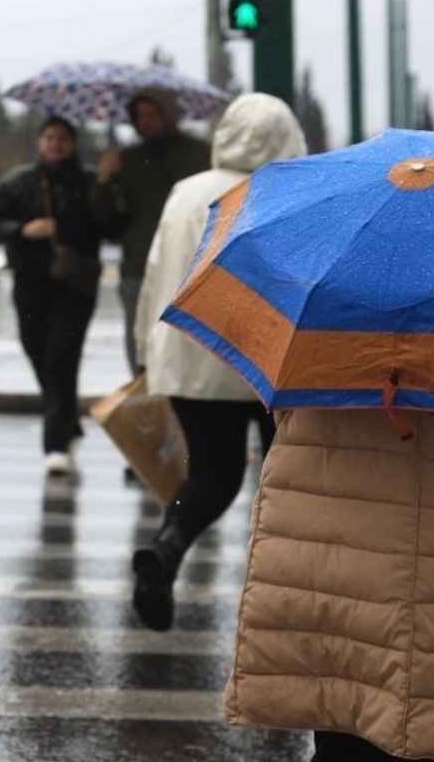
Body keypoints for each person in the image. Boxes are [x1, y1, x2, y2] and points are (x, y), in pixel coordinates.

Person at [224, 390, 434, 762]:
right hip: (422, 565)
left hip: (320, 549)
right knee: (426, 729)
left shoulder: (319, 339)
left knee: (344, 724)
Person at [130, 93, 307, 632]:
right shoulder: (288, 191)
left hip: (191, 355)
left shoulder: (186, 193)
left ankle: (168, 546)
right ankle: (284, 591)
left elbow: (155, 272)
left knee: (212, 472)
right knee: (289, 481)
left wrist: (145, 351)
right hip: (267, 361)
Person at [0, 117, 107, 476]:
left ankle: (55, 443)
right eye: (50, 138)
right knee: (37, 351)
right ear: (39, 142)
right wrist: (22, 229)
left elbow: (108, 225)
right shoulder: (18, 182)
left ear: (74, 143)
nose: (56, 145)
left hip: (75, 285)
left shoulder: (90, 181)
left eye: (64, 138)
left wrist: (107, 186)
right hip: (31, 283)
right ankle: (69, 421)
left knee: (60, 358)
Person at [93, 88, 211, 376]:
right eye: (139, 116)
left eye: (152, 114)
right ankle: (148, 407)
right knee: (142, 344)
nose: (146, 122)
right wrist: (105, 182)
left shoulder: (200, 154)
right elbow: (107, 224)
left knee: (192, 348)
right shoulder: (126, 161)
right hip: (140, 266)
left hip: (192, 266)